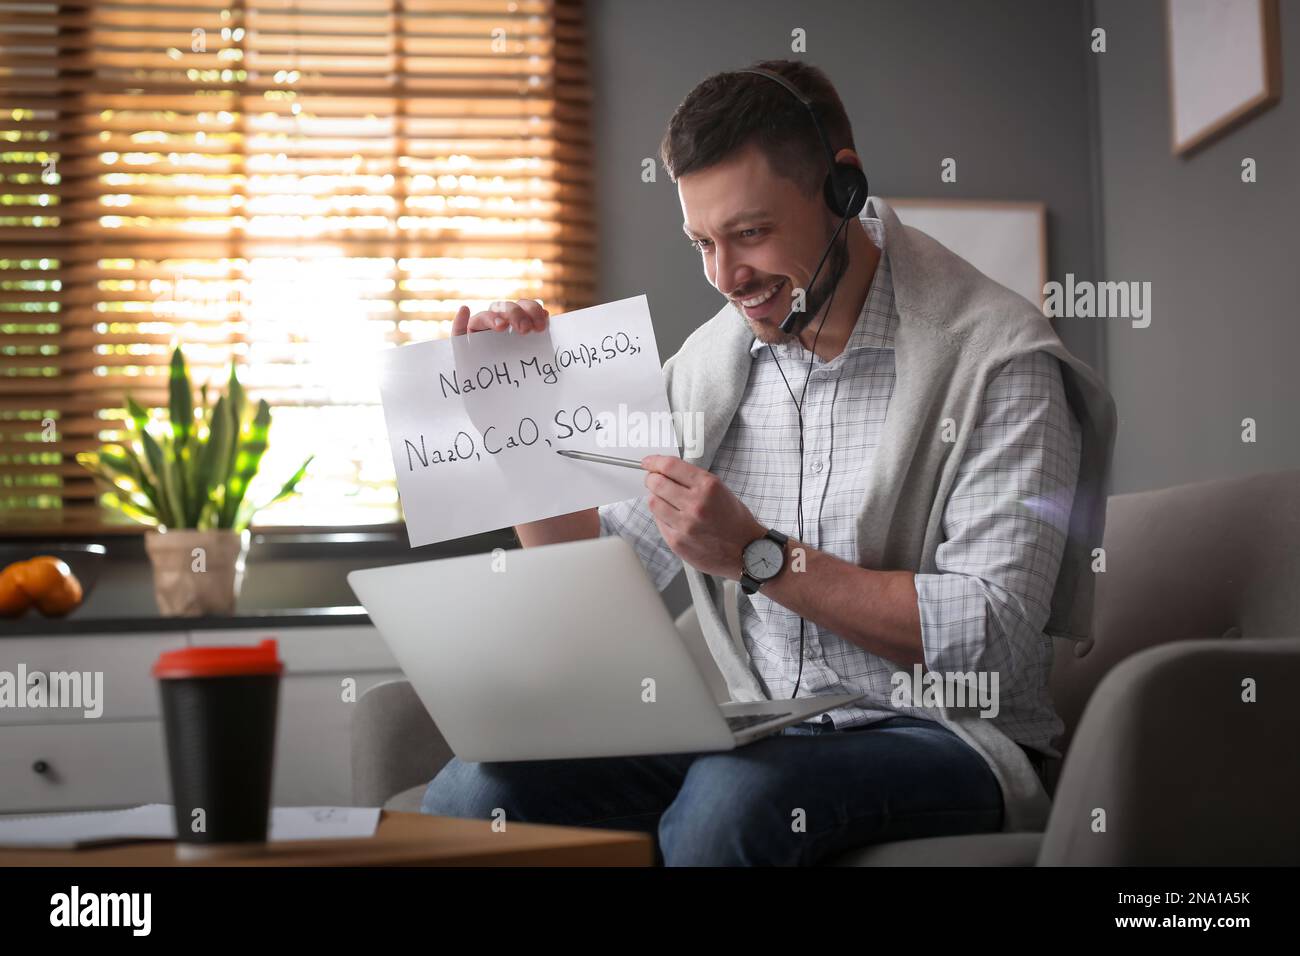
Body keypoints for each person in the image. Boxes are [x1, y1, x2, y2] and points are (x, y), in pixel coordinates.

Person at [421, 59, 1116, 866]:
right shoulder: (707, 369)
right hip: (763, 730)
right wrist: (523, 434)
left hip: (947, 734)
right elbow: (593, 587)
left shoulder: (999, 362)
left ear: (842, 188)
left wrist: (759, 557)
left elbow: (990, 634)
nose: (726, 278)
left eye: (750, 233)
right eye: (703, 243)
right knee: (480, 789)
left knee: (731, 803)